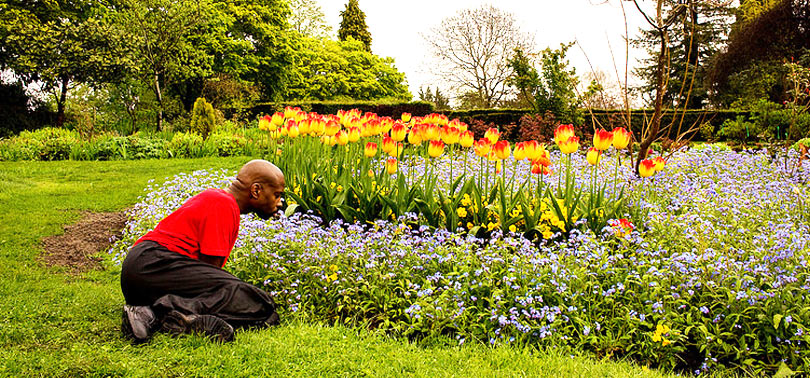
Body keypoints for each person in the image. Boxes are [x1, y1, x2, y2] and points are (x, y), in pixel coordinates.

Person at [120, 159, 284, 343]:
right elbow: (211, 274)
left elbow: (206, 281)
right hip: (153, 264)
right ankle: (155, 313)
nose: (279, 203)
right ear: (256, 190)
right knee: (259, 302)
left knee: (261, 309)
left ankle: (169, 317)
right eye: (277, 195)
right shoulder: (223, 204)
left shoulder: (219, 200)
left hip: (141, 274)